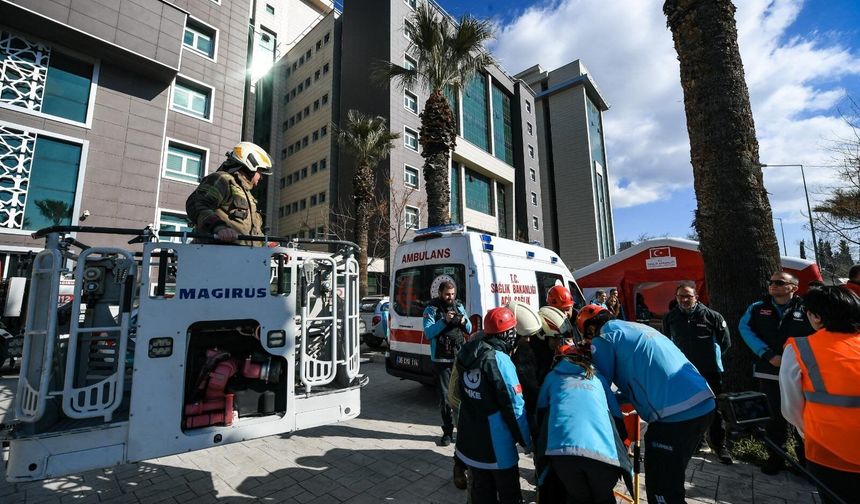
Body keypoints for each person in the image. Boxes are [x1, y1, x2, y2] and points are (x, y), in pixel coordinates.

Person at [576, 304, 715, 504]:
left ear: (590, 330)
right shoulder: (637, 328)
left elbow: (600, 386)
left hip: (674, 416)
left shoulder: (603, 337)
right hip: (702, 402)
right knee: (672, 480)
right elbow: (639, 381)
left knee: (661, 489)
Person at [780, 286, 860, 504]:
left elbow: (790, 407)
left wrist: (808, 433)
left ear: (816, 316)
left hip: (828, 454)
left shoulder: (800, 348)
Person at [739, 271, 814, 475]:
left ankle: (805, 462)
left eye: (780, 282)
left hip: (802, 373)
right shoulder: (757, 308)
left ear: (793, 287)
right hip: (769, 371)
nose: (773, 285)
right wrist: (766, 354)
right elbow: (744, 329)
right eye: (771, 282)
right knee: (774, 418)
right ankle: (775, 458)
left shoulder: (808, 307)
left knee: (803, 417)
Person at [535, 343, 631, 504]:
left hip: (562, 452)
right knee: (603, 498)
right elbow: (617, 416)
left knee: (578, 497)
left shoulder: (552, 377)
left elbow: (541, 413)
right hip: (603, 454)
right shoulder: (598, 378)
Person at [455, 307, 531, 504]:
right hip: (498, 447)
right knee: (510, 496)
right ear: (508, 334)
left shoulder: (466, 353)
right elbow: (515, 405)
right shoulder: (499, 360)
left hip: (472, 443)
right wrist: (526, 441)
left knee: (482, 495)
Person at [662, 283, 733, 464]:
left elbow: (725, 343)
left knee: (715, 408)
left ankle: (719, 445)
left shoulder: (713, 316)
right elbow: (669, 342)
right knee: (689, 407)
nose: (685, 300)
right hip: (684, 372)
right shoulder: (670, 318)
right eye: (681, 296)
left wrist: (711, 359)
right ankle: (697, 441)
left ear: (696, 297)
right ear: (676, 298)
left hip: (710, 371)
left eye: (688, 296)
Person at [422, 280, 471, 488]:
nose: (450, 297)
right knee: (445, 398)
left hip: (458, 358)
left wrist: (460, 320)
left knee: (463, 396)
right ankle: (447, 432)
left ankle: (463, 430)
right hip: (441, 360)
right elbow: (428, 332)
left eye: (452, 293)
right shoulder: (431, 308)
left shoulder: (459, 305)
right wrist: (444, 321)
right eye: (447, 294)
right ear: (440, 293)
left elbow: (469, 326)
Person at [186, 142, 272, 246]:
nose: (261, 177)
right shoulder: (222, 180)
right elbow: (196, 204)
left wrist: (271, 247)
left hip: (243, 257)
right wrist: (219, 227)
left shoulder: (247, 194)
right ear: (251, 166)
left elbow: (252, 233)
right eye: (260, 172)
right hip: (216, 254)